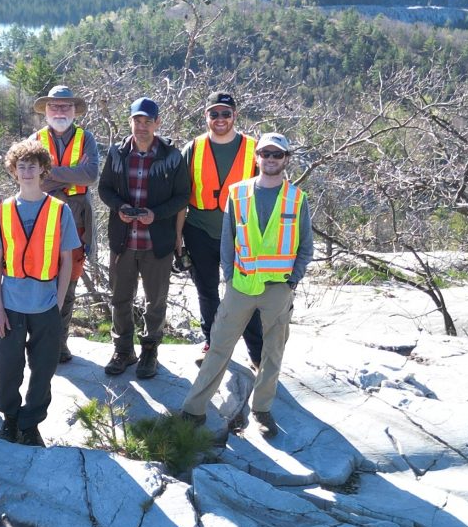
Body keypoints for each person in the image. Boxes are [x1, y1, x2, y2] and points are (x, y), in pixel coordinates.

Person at [179, 133, 314, 438]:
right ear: (256, 157)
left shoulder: (297, 198)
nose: (270, 159)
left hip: (277, 288)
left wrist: (292, 280)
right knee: (219, 346)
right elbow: (228, 241)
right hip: (240, 285)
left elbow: (305, 246)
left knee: (272, 352)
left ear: (286, 159)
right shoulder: (237, 193)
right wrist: (229, 275)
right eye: (265, 153)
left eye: (277, 154)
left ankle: (262, 409)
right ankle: (194, 409)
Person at [0, 140, 80, 447]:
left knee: (43, 369)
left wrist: (58, 300)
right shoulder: (2, 212)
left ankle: (30, 424)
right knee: (6, 366)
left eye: (33, 166)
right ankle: (10, 420)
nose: (27, 172)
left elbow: (66, 261)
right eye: (21, 167)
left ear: (43, 170)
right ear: (14, 172)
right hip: (11, 304)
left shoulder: (59, 210)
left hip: (45, 306)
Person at [97, 97, 192, 380]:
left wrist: (156, 214)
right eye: (137, 121)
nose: (141, 126)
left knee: (155, 301)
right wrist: (120, 207)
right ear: (130, 122)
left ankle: (150, 350)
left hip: (157, 242)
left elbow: (183, 196)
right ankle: (123, 350)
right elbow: (104, 189)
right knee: (120, 298)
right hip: (124, 240)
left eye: (147, 121)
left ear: (157, 123)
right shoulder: (117, 154)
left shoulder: (171, 157)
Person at [176, 92, 263, 368]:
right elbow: (180, 195)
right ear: (206, 117)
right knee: (207, 291)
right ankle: (212, 345)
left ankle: (257, 353)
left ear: (235, 116)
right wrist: (177, 236)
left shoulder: (255, 148)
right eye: (214, 114)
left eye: (226, 113)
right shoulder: (193, 148)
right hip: (199, 230)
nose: (220, 119)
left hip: (241, 232)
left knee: (245, 293)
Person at [30, 84, 100, 363]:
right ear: (46, 110)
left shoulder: (87, 138)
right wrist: (72, 174)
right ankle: (39, 344)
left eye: (65, 106)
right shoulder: (34, 140)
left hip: (77, 221)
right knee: (40, 283)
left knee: (68, 286)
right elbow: (34, 179)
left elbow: (91, 174)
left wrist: (50, 175)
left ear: (74, 111)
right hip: (41, 222)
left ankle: (59, 344)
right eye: (54, 106)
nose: (60, 111)